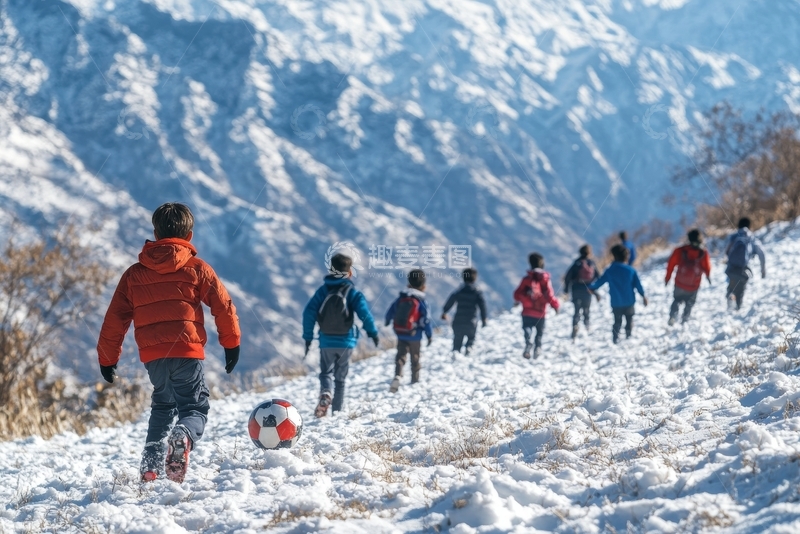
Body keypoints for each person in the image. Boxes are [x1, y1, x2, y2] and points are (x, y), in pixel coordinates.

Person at [97, 203, 241, 483]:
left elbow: (115, 319)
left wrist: (107, 359)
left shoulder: (133, 275)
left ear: (155, 233)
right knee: (194, 408)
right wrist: (231, 342)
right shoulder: (197, 268)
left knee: (163, 405)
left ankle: (151, 466)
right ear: (188, 236)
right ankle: (183, 435)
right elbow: (223, 306)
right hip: (187, 351)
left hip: (152, 356)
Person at [303, 253, 379, 417]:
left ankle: (325, 392)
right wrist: (372, 332)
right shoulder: (352, 293)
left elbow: (308, 313)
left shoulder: (322, 291)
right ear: (350, 272)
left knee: (325, 373)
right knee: (340, 380)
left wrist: (308, 337)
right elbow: (364, 314)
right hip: (346, 341)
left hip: (326, 341)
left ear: (331, 270)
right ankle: (336, 413)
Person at [385, 269, 433, 393]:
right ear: (423, 287)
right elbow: (426, 320)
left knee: (400, 356)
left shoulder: (401, 298)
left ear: (408, 285)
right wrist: (429, 334)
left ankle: (397, 375)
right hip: (415, 335)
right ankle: (415, 380)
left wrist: (387, 320)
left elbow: (391, 311)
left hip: (401, 333)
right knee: (415, 358)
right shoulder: (422, 301)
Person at [589, 245, 648, 344]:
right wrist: (643, 296)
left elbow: (599, 283)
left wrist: (590, 287)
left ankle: (615, 340)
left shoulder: (610, 270)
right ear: (626, 257)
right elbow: (638, 285)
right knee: (629, 321)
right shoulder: (630, 270)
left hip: (616, 302)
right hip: (629, 301)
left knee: (617, 322)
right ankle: (628, 338)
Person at [513, 253, 560, 359]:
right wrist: (555, 305)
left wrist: (517, 300)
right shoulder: (545, 279)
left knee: (527, 328)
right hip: (541, 312)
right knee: (539, 333)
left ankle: (528, 342)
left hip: (527, 311)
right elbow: (550, 294)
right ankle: (537, 348)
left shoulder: (526, 279)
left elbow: (517, 294)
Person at [665, 229, 711, 325]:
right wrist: (708, 276)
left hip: (680, 283)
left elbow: (671, 265)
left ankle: (673, 316)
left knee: (676, 300)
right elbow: (707, 267)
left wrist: (667, 278)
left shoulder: (681, 250)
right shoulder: (702, 252)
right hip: (694, 285)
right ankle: (684, 320)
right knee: (689, 303)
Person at [441, 268, 487, 356]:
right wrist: (484, 318)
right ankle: (468, 348)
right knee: (471, 338)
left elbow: (450, 301)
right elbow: (482, 306)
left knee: (457, 340)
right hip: (471, 321)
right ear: (475, 278)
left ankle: (455, 355)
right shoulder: (477, 292)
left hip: (458, 320)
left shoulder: (459, 291)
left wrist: (444, 312)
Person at [725, 217, 766, 310]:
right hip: (743, 269)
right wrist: (763, 270)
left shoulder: (734, 236)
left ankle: (731, 295)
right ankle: (738, 306)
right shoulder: (751, 237)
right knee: (741, 288)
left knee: (731, 284)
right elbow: (761, 253)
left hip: (731, 268)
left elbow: (727, 251)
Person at [563, 244, 600, 340]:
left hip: (576, 289)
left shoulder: (576, 263)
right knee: (586, 309)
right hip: (587, 290)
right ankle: (587, 326)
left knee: (576, 310)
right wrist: (594, 290)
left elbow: (568, 277)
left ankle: (575, 326)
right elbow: (598, 276)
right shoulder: (591, 263)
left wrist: (566, 290)